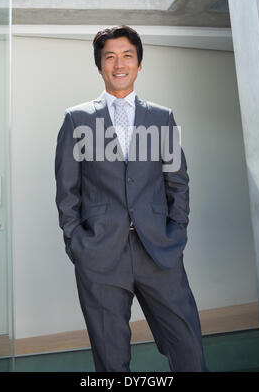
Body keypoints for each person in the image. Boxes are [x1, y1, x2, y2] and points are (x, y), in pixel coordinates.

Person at [55, 25, 207, 372]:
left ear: (139, 64)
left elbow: (178, 181)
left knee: (189, 351)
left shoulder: (162, 117)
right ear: (100, 67)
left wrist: (176, 232)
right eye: (110, 57)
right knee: (111, 361)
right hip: (100, 255)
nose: (119, 64)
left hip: (159, 250)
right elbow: (67, 192)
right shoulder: (76, 119)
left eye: (128, 56)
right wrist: (78, 245)